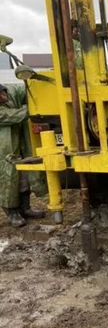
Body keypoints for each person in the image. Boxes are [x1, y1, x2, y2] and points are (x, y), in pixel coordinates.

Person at [0, 83, 45, 227]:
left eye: (2, 94)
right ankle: (12, 213)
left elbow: (28, 88)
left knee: (25, 176)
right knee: (9, 181)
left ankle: (25, 208)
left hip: (20, 144)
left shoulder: (12, 91)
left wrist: (34, 90)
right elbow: (14, 115)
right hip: (4, 150)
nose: (3, 98)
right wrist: (31, 107)